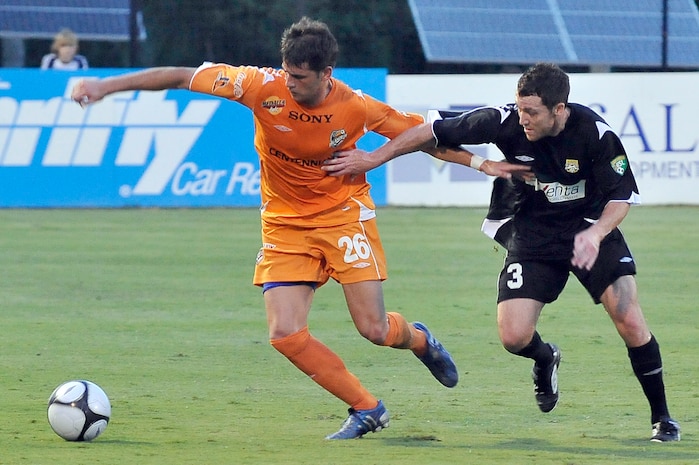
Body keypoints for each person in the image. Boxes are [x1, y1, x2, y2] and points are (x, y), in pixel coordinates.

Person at [70, 17, 526, 440]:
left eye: (300, 77)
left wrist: (481, 163)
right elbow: (176, 75)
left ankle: (420, 341)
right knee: (285, 334)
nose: (289, 82)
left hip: (343, 215)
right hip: (284, 224)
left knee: (373, 328)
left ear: (327, 73)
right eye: (287, 72)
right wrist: (105, 87)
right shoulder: (258, 85)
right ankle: (367, 408)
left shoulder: (355, 106)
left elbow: (426, 135)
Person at [323, 62, 681, 442]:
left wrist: (596, 233)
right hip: (534, 233)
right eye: (520, 107)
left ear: (559, 110)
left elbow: (621, 197)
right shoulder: (503, 120)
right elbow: (429, 132)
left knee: (629, 319)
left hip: (591, 230)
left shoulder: (595, 134)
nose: (522, 118)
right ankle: (545, 358)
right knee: (513, 336)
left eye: (532, 111)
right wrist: (375, 159)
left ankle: (662, 419)